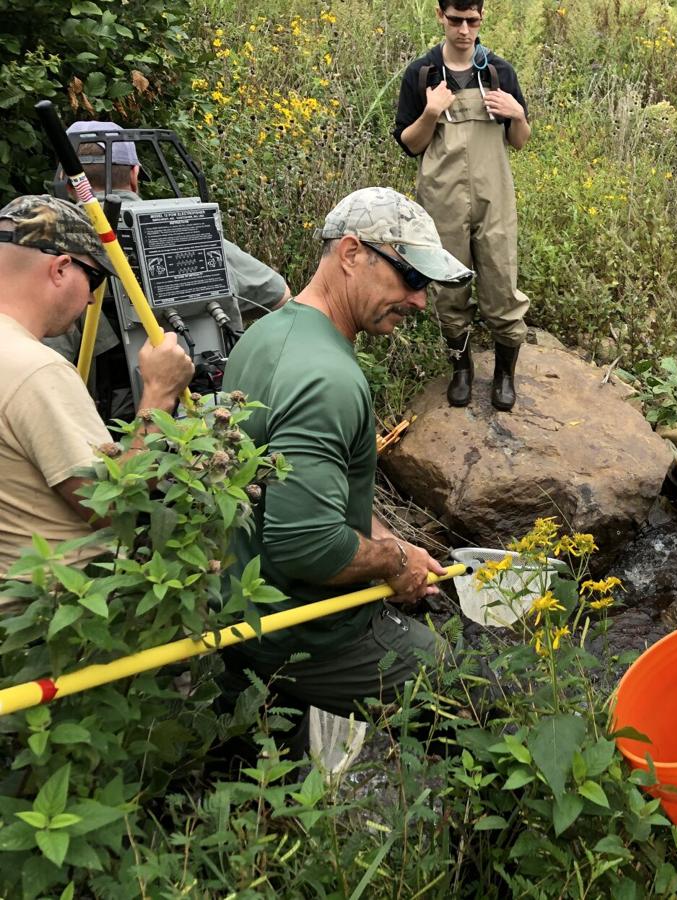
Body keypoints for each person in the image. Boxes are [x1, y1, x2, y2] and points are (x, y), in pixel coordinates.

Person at [219, 187, 473, 732]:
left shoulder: (265, 334)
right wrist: (393, 563)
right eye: (411, 278)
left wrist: (391, 540)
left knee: (268, 781)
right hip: (307, 627)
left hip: (242, 612)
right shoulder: (329, 380)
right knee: (478, 704)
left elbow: (310, 491)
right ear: (352, 253)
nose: (420, 301)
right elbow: (306, 544)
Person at [0, 195, 194, 584]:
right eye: (95, 278)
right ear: (61, 268)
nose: (92, 298)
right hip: (59, 617)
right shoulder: (36, 370)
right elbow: (112, 503)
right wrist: (159, 394)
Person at [44, 120, 292, 366]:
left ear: (66, 182)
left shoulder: (54, 252)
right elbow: (278, 296)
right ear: (134, 174)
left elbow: (48, 362)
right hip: (218, 398)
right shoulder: (192, 229)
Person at [393, 0, 531, 411]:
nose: (464, 30)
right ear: (441, 16)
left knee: (502, 285)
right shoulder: (422, 74)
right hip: (442, 197)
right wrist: (432, 112)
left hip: (495, 196)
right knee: (449, 288)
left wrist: (518, 114)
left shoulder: (498, 72)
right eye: (456, 20)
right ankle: (462, 370)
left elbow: (519, 140)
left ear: (481, 19)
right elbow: (411, 144)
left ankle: (505, 375)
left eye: (472, 21)